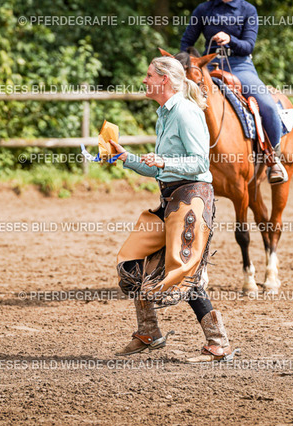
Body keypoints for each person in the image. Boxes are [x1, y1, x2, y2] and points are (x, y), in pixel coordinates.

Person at [109, 56, 234, 363]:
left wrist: (165, 161)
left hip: (192, 199)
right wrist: (125, 157)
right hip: (172, 200)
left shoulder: (185, 112)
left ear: (164, 80)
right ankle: (149, 332)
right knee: (133, 260)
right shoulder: (165, 114)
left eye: (149, 75)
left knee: (184, 274)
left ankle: (218, 344)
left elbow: (199, 162)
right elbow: (159, 169)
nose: (144, 80)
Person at [180, 0, 287, 184]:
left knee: (268, 105)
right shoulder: (204, 9)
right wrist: (188, 64)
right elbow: (186, 42)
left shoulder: (248, 10)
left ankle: (273, 159)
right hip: (208, 65)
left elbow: (249, 46)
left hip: (240, 66)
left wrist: (230, 39)